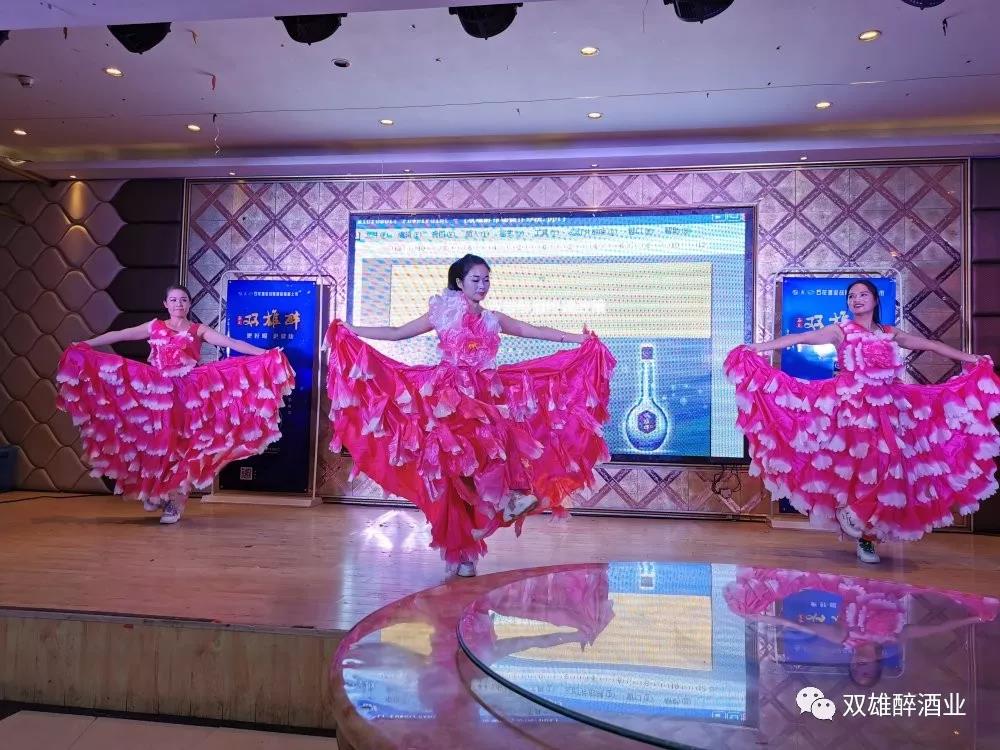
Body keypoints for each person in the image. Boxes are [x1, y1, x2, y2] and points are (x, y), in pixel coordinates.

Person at [325, 254, 615, 576]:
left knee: (493, 450)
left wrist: (579, 340)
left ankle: (483, 530)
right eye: (476, 280)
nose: (482, 286)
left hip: (485, 393)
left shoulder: (493, 318)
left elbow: (530, 329)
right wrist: (352, 330)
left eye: (486, 280)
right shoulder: (442, 314)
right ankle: (469, 543)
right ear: (459, 282)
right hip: (449, 398)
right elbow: (396, 332)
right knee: (457, 471)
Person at [725, 279, 1000, 563]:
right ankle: (860, 529)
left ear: (875, 300)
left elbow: (931, 345)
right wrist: (757, 347)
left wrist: (972, 358)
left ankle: (864, 527)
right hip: (851, 412)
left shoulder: (890, 333)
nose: (856, 299)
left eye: (863, 294)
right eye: (852, 296)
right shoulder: (840, 331)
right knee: (863, 466)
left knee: (892, 465)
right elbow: (800, 338)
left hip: (888, 412)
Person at [56, 284, 295, 524]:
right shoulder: (154, 326)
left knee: (182, 446)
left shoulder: (197, 329)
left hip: (188, 395)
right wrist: (87, 343)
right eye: (173, 300)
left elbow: (230, 342)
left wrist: (264, 353)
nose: (178, 304)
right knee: (155, 443)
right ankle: (156, 492)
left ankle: (174, 502)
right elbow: (121, 334)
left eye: (183, 300)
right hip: (157, 393)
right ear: (165, 304)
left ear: (189, 304)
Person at [723, 566, 998, 686]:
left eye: (856, 669)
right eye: (866, 670)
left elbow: (798, 626)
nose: (860, 666)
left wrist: (761, 617)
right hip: (892, 575)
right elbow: (934, 629)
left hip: (854, 573)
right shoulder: (891, 638)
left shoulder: (846, 637)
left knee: (785, 577)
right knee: (954, 584)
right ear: (876, 666)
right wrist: (974, 618)